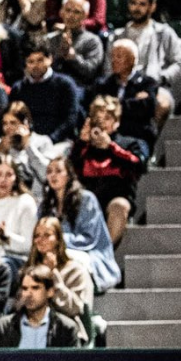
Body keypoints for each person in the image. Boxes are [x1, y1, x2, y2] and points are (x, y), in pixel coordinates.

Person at [70, 95, 148, 247]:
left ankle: (105, 251)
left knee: (119, 206)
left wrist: (111, 147)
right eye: (98, 119)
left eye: (107, 118)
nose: (102, 123)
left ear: (116, 121)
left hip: (116, 197)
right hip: (88, 199)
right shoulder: (84, 147)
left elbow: (139, 166)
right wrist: (81, 143)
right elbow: (71, 170)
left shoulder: (129, 143)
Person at [39, 155, 121, 293]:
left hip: (88, 252)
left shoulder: (86, 199)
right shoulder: (45, 205)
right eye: (49, 171)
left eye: (58, 171)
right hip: (53, 251)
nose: (53, 175)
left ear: (69, 175)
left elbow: (89, 238)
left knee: (68, 261)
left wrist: (57, 240)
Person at [25, 216, 92, 343]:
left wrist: (54, 275)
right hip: (32, 326)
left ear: (57, 239)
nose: (41, 240)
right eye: (37, 235)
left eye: (47, 235)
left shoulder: (75, 270)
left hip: (64, 330)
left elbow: (76, 308)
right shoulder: (29, 269)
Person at [87, 39, 160, 152]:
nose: (113, 60)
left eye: (119, 56)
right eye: (113, 56)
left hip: (137, 136)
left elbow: (148, 108)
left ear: (132, 59)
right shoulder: (103, 84)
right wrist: (133, 102)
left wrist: (113, 106)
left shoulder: (147, 83)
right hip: (108, 135)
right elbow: (97, 108)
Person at [0, 101, 57, 199]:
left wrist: (28, 147)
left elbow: (46, 176)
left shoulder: (43, 142)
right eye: (5, 123)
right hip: (3, 200)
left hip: (34, 200)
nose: (8, 128)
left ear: (26, 123)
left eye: (13, 123)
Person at [8, 44, 82, 145]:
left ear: (50, 59)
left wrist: (51, 139)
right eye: (31, 61)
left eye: (40, 60)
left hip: (60, 141)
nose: (36, 66)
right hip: (27, 141)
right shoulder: (18, 88)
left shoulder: (65, 84)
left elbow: (70, 119)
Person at [0, 264, 80, 348]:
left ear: (50, 292)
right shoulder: (4, 327)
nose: (28, 294)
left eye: (35, 288)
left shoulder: (66, 328)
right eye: (25, 288)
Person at [44, 0, 103, 87]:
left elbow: (90, 71)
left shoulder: (92, 41)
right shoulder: (51, 39)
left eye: (77, 12)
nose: (71, 15)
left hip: (79, 87)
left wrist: (73, 57)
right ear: (61, 12)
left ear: (85, 15)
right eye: (68, 10)